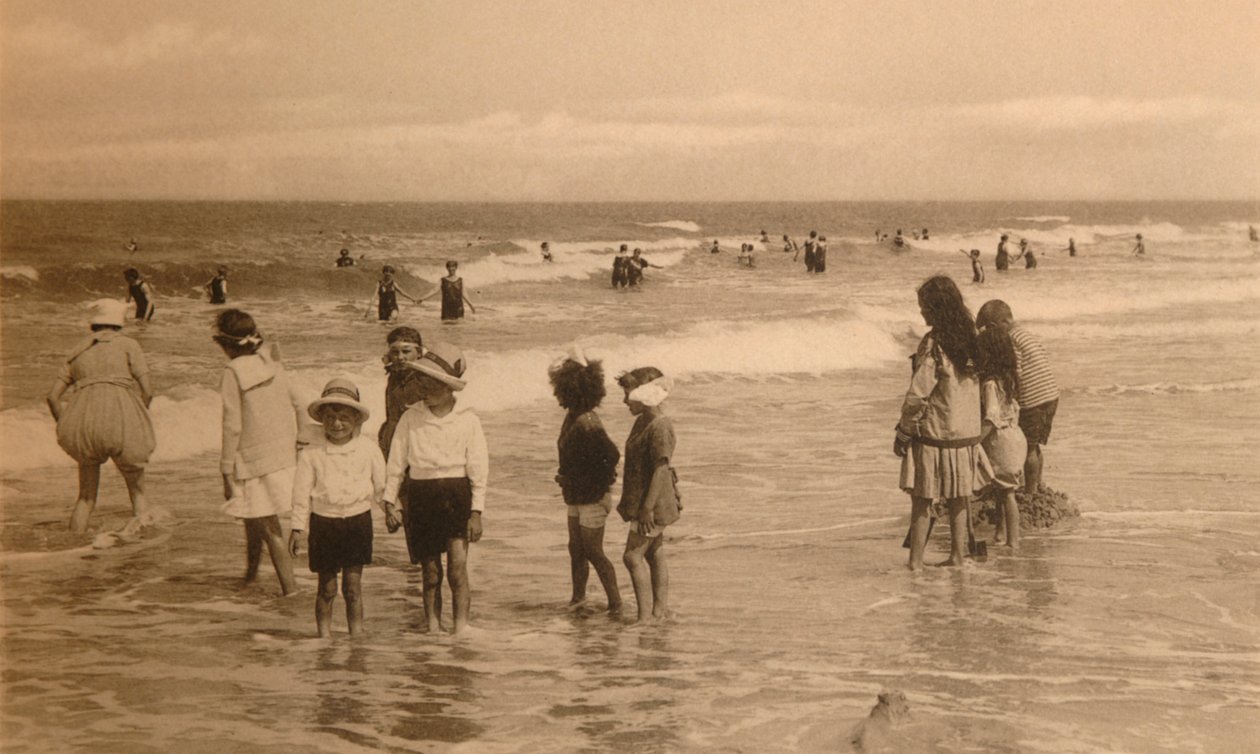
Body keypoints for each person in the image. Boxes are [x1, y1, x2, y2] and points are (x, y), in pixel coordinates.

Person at [382, 342, 487, 634]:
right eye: (421, 380)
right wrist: (390, 501)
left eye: (431, 382)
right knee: (430, 573)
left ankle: (461, 628)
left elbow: (479, 470)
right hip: (420, 495)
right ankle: (432, 628)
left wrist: (477, 511)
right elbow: (396, 463)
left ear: (448, 387)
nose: (424, 388)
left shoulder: (467, 418)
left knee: (457, 569)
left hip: (456, 495)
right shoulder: (411, 416)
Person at [894, 275, 990, 570]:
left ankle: (915, 562)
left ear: (937, 309)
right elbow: (977, 382)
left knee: (923, 498)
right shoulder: (971, 342)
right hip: (965, 434)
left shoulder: (934, 344)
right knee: (960, 498)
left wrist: (903, 430)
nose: (921, 312)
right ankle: (958, 557)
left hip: (935, 433)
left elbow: (918, 394)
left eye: (924, 307)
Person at [46, 299, 156, 533]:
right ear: (119, 323)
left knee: (85, 498)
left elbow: (52, 397)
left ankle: (73, 550)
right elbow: (148, 391)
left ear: (93, 325)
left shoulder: (77, 351)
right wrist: (136, 418)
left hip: (84, 425)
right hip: (122, 421)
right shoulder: (129, 345)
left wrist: (65, 424)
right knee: (137, 492)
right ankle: (143, 551)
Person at [214, 309, 302, 595]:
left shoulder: (233, 372)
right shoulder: (272, 362)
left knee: (267, 525)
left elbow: (233, 425)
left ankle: (291, 591)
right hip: (282, 452)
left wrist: (226, 469)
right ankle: (250, 577)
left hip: (253, 458)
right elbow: (298, 402)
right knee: (254, 517)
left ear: (225, 345)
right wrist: (300, 442)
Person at [290, 379, 386, 637]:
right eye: (330, 417)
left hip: (358, 522)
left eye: (344, 417)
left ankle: (356, 637)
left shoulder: (368, 449)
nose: (337, 424)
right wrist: (297, 528)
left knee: (353, 589)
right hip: (324, 523)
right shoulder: (311, 453)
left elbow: (381, 488)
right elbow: (300, 493)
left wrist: (391, 510)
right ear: (321, 419)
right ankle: (323, 638)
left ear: (357, 420)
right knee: (327, 588)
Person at [549, 346, 623, 613]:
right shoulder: (574, 417)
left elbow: (611, 455)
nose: (557, 394)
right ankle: (578, 599)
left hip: (592, 496)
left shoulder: (586, 422)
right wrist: (568, 476)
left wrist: (582, 479)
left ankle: (616, 604)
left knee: (593, 551)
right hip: (577, 494)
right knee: (576, 549)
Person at [616, 367, 681, 624]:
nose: (625, 401)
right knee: (654, 552)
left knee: (632, 556)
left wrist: (647, 509)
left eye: (628, 394)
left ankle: (645, 619)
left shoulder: (659, 426)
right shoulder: (644, 422)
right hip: (651, 501)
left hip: (652, 504)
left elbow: (661, 469)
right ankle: (658, 612)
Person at [976, 300, 1060, 494]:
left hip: (1034, 399)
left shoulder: (1011, 340)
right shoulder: (1026, 334)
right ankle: (1037, 483)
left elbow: (1016, 371)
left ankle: (1030, 491)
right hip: (1050, 395)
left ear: (994, 327)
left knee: (1030, 448)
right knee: (1035, 445)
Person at [975, 327, 1026, 550]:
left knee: (1006, 493)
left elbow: (991, 417)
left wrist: (974, 441)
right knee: (1004, 491)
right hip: (1016, 436)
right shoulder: (1010, 380)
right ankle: (1001, 534)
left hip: (1001, 441)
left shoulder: (989, 384)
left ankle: (1012, 541)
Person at [378, 326, 425, 459]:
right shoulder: (393, 375)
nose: (400, 357)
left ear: (419, 352)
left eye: (406, 351)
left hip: (417, 438)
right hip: (392, 436)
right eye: (395, 352)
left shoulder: (425, 380)